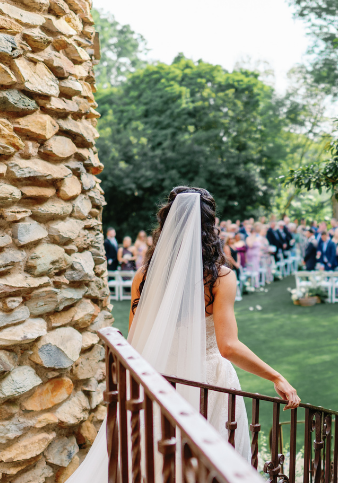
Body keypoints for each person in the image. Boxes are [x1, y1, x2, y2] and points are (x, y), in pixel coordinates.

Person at [67, 187, 301, 482]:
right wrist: (276, 376)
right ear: (210, 226)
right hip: (208, 382)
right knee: (210, 465)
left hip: (160, 380)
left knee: (158, 462)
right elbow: (228, 347)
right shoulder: (221, 278)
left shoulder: (143, 275)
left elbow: (135, 341)